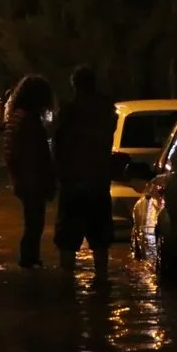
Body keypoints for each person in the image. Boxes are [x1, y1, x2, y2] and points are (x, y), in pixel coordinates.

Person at [52, 65, 118, 277]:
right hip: (98, 183)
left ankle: (67, 285)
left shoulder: (69, 111)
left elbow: (59, 146)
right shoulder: (106, 111)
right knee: (100, 240)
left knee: (68, 241)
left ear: (75, 85)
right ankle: (102, 282)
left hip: (74, 185)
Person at [3, 75, 57, 268]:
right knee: (34, 223)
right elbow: (36, 154)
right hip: (31, 180)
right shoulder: (28, 120)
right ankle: (29, 261)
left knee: (33, 223)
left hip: (23, 180)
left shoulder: (17, 116)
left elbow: (11, 153)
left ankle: (30, 261)